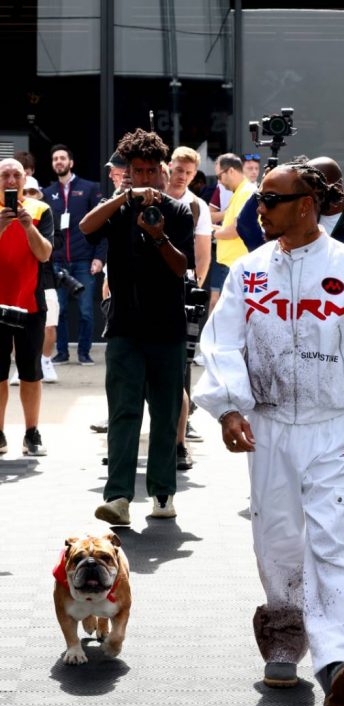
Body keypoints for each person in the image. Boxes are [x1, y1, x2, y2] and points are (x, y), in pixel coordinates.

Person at [193, 161, 344, 706]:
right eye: (260, 200)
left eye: (271, 201)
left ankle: (340, 660)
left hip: (336, 428)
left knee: (331, 540)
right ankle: (283, 637)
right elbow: (222, 343)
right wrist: (228, 409)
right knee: (276, 538)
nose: (259, 210)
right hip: (270, 427)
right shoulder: (249, 273)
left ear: (306, 205)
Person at [79, 128, 194, 525]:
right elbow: (84, 228)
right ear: (129, 172)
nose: (146, 178)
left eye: (151, 171)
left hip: (167, 330)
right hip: (125, 326)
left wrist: (159, 236)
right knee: (124, 413)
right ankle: (119, 498)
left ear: (162, 172)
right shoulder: (119, 208)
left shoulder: (178, 211)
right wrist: (122, 198)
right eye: (138, 171)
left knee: (164, 415)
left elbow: (182, 268)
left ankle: (162, 493)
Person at [237, 155, 344, 314]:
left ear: (337, 188)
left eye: (315, 190)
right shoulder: (300, 219)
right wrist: (266, 189)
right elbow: (246, 225)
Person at [0, 158, 53, 456]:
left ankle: (32, 432)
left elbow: (45, 254)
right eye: (4, 175)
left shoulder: (39, 210)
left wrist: (26, 226)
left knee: (31, 372)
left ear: (25, 179)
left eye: (16, 175)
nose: (10, 180)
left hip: (29, 303)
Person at [166, 145, 213, 469]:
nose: (181, 175)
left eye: (188, 172)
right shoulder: (152, 195)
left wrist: (194, 289)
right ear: (169, 167)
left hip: (180, 296)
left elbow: (203, 255)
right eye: (178, 169)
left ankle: (179, 441)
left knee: (181, 369)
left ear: (194, 175)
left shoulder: (197, 207)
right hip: (145, 294)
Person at [43, 144, 106, 365]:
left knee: (86, 312)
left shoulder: (89, 189)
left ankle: (84, 352)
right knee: (58, 312)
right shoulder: (47, 193)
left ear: (71, 162)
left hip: (83, 260)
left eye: (62, 158)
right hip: (57, 261)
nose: (58, 162)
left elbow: (99, 226)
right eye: (55, 159)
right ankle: (62, 352)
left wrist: (99, 257)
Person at [209, 153, 256, 312]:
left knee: (232, 316)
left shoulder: (245, 191)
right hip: (234, 265)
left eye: (219, 176)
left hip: (238, 265)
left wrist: (212, 234)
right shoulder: (241, 191)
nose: (219, 181)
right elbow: (230, 227)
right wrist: (212, 229)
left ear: (230, 171)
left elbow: (236, 230)